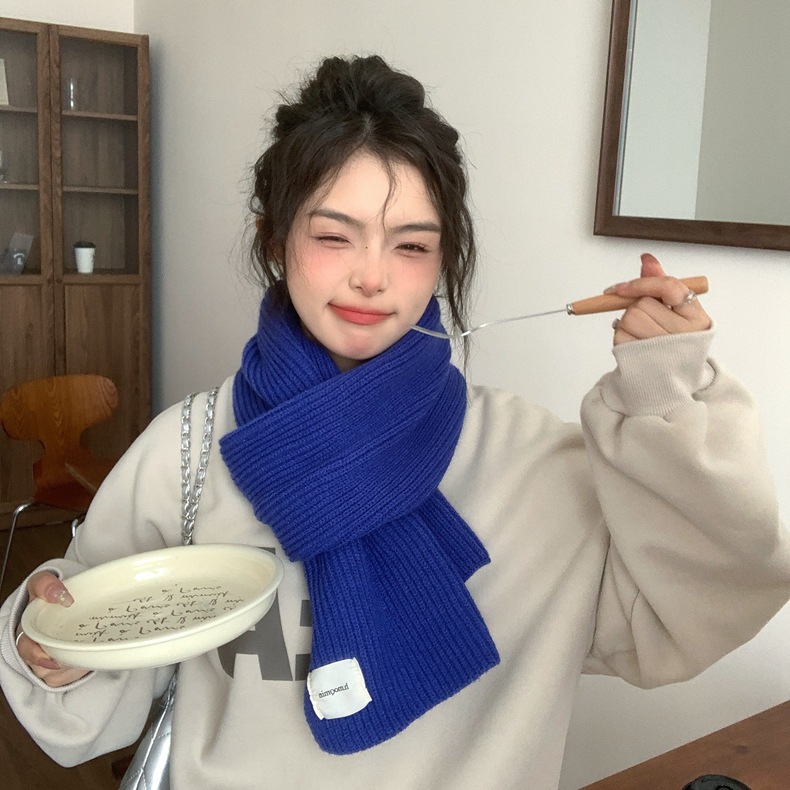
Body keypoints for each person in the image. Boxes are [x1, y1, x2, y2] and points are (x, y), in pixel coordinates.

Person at [2, 54, 790, 789]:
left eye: (411, 246)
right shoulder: (187, 450)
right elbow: (90, 655)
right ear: (273, 239)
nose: (372, 277)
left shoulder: (535, 466)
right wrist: (55, 645)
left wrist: (668, 397)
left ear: (444, 258)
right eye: (332, 236)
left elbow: (693, 609)